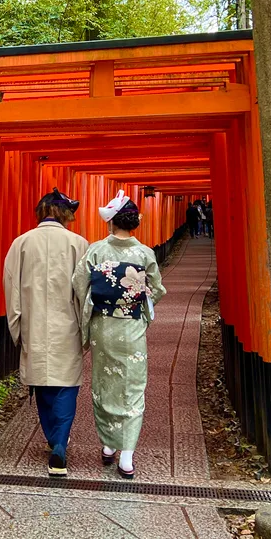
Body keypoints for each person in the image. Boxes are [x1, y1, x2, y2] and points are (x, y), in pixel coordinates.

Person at [73, 191, 167, 479]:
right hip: (132, 326)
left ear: (111, 222)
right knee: (132, 385)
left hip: (104, 325)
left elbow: (79, 282)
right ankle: (126, 455)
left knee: (104, 382)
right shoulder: (145, 253)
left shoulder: (97, 250)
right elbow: (158, 290)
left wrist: (95, 300)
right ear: (134, 222)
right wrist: (140, 298)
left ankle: (108, 446)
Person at [3, 188, 89, 477]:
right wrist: (86, 329)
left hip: (35, 323)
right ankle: (60, 444)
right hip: (68, 325)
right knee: (66, 383)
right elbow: (85, 292)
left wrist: (17, 327)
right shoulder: (79, 244)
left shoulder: (21, 244)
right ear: (64, 214)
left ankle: (54, 440)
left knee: (42, 383)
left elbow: (12, 288)